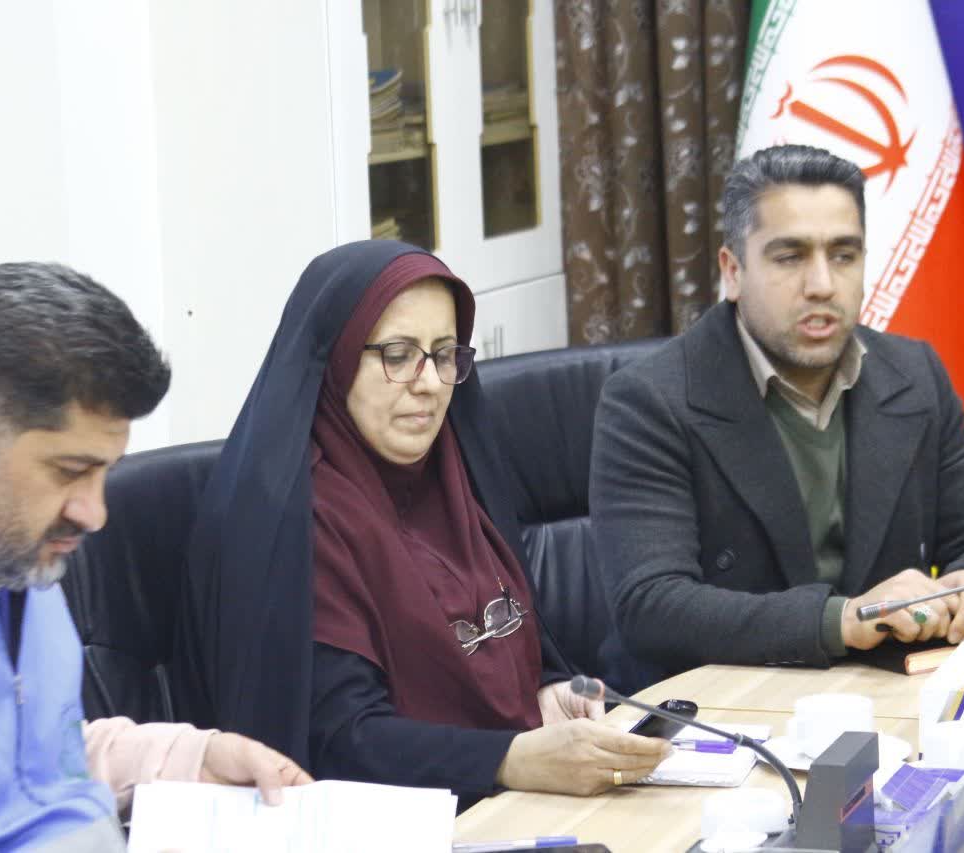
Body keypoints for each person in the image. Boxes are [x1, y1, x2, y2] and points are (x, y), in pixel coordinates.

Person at [0, 263, 309, 852]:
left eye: (104, 472)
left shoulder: (3, 549)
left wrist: (194, 756)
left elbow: (33, 759)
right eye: (70, 471)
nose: (94, 513)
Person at [172, 241, 671, 807]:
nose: (430, 382)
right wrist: (510, 758)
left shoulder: (455, 470)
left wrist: (545, 690)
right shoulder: (294, 521)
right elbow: (338, 742)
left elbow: (501, 642)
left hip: (517, 803)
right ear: (335, 360)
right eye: (398, 354)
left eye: (444, 354)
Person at [590, 145, 964, 675]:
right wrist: (841, 620)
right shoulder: (648, 400)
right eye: (790, 257)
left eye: (843, 255)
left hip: (881, 695)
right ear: (733, 271)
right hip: (714, 705)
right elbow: (651, 604)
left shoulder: (914, 374)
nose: (822, 285)